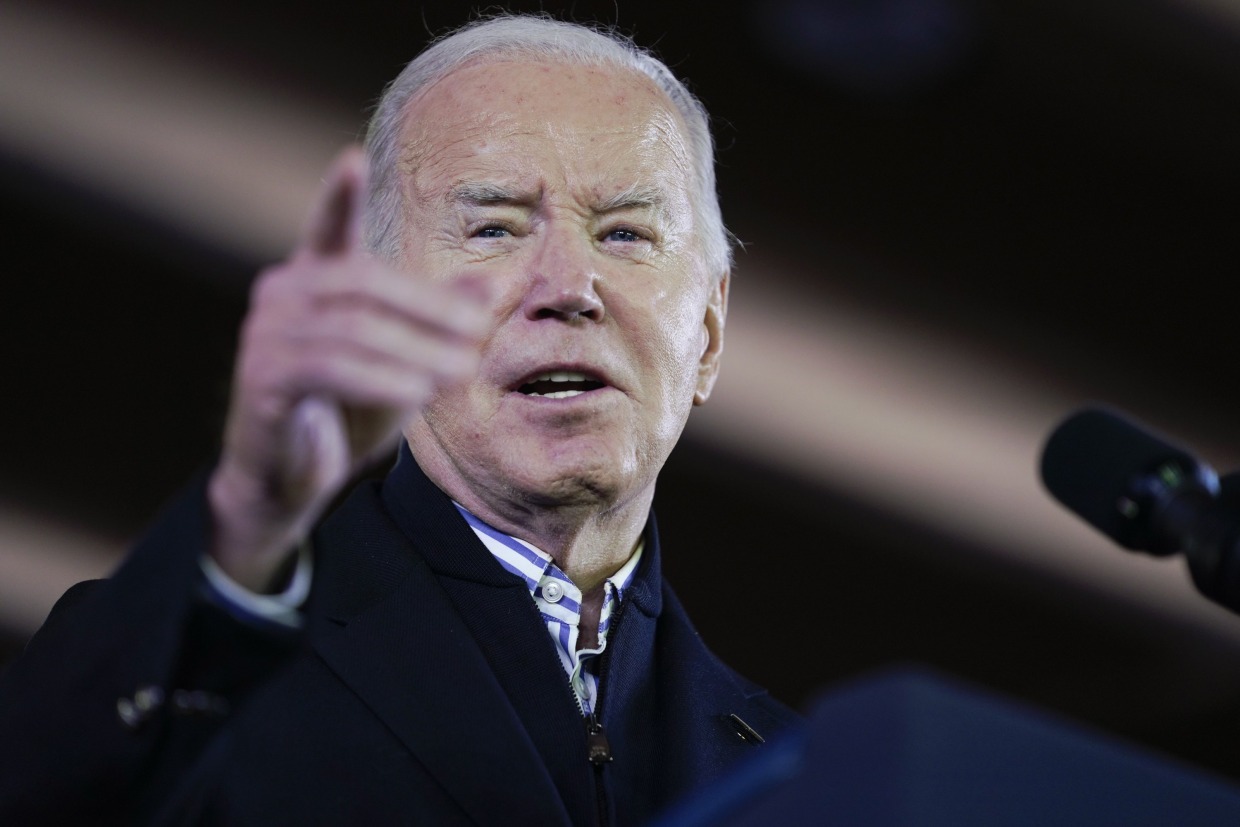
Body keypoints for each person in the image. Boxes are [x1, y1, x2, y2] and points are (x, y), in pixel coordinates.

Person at [0, 14, 800, 825]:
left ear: (707, 333)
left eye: (625, 233)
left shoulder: (806, 777)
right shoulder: (193, 671)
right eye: (494, 228)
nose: (569, 285)